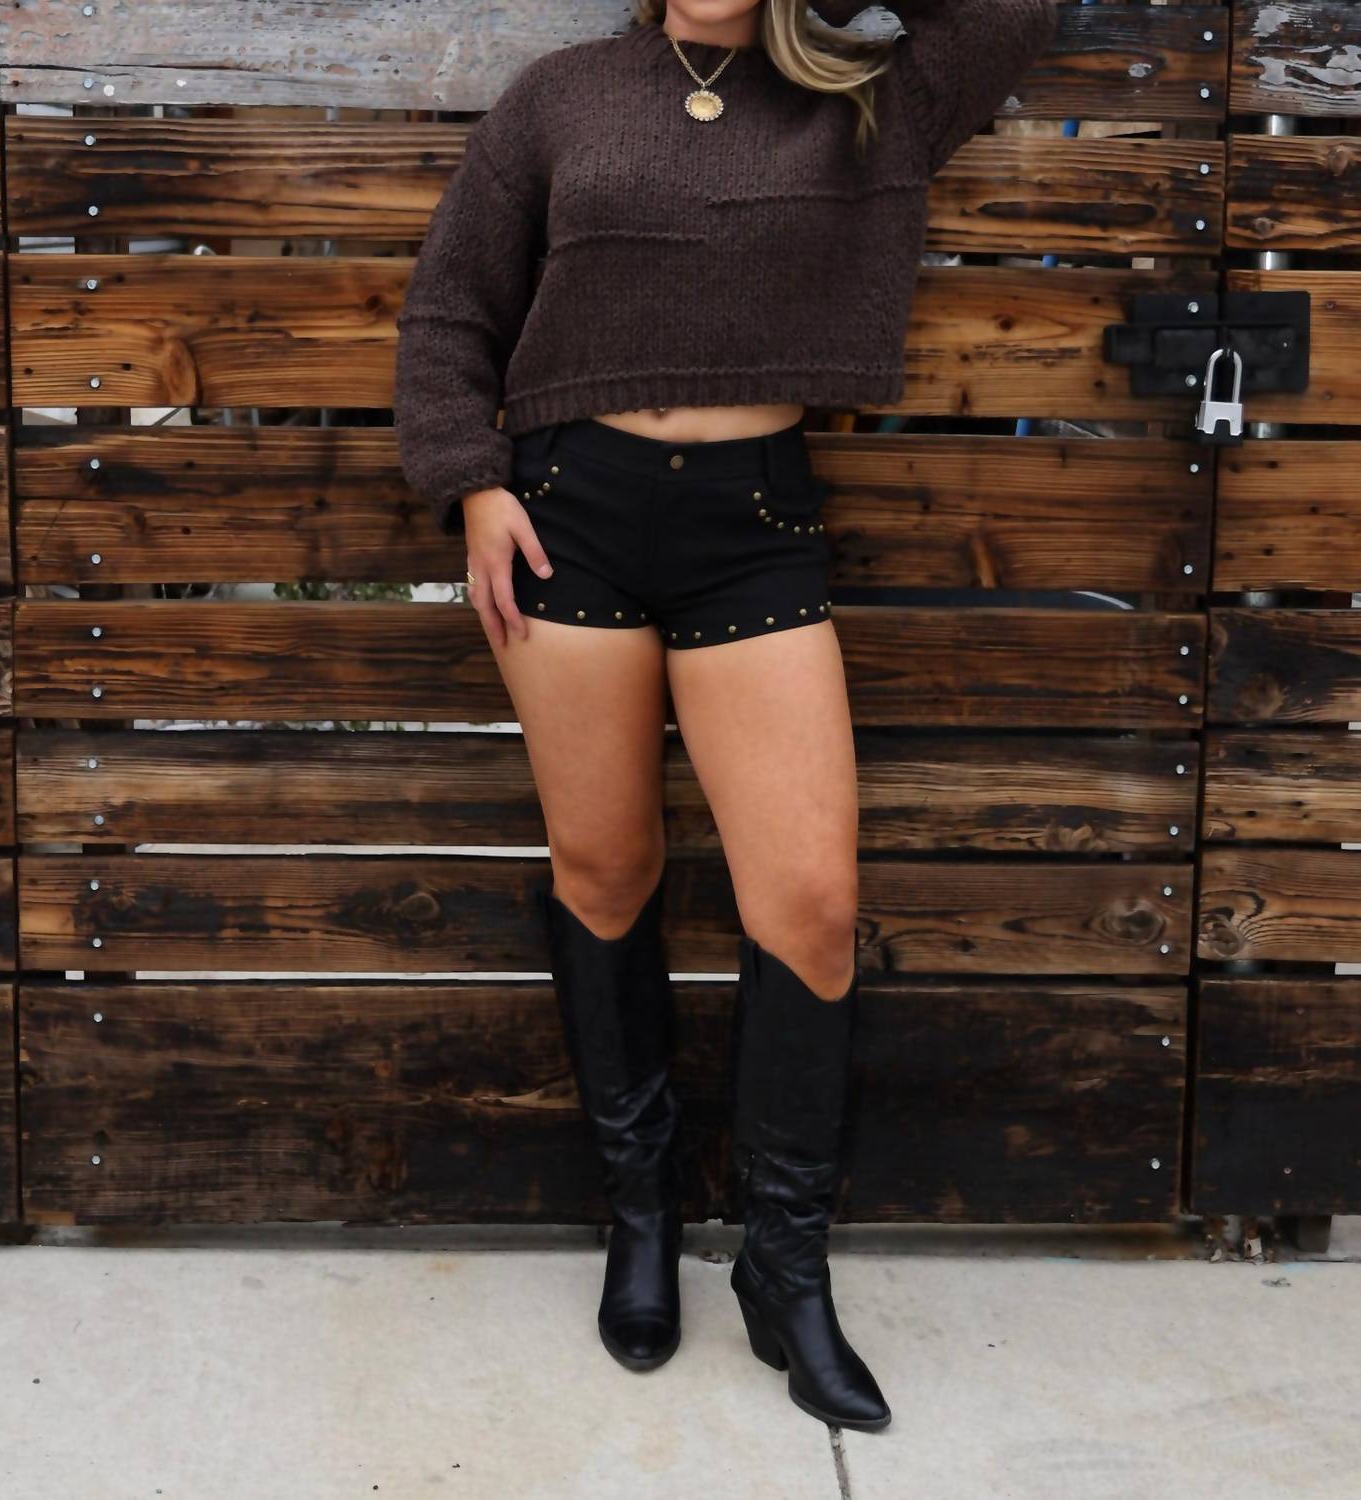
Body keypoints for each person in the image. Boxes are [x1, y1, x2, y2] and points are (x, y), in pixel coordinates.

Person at [394, 0, 1060, 1433]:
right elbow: (453, 299)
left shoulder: (871, 94)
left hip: (754, 529)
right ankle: (639, 1215)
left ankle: (784, 1270)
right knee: (605, 870)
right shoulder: (562, 97)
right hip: (567, 513)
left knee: (810, 905)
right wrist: (471, 481)